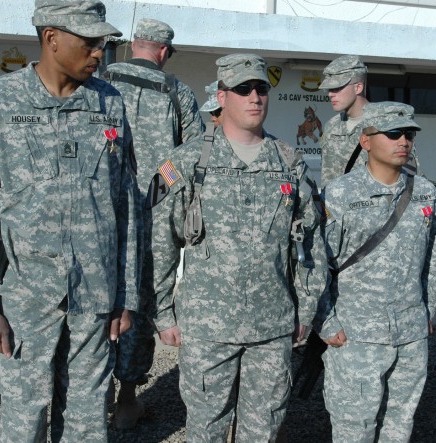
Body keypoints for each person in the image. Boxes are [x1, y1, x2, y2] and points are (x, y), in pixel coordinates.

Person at [0, 1, 140, 441]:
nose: (98, 52)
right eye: (89, 42)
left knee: (89, 418)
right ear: (52, 38)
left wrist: (125, 294)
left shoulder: (109, 103)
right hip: (23, 299)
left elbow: (126, 204)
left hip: (94, 296)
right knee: (24, 418)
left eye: (102, 43)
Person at [147, 53, 326, 442]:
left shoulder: (289, 162)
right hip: (208, 328)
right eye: (243, 89)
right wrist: (162, 313)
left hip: (272, 326)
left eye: (261, 88)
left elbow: (310, 243)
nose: (254, 96)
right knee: (205, 430)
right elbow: (161, 242)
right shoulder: (188, 161)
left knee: (263, 431)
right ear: (223, 95)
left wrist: (307, 309)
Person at [317, 102, 436, 442]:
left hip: (411, 336)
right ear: (366, 140)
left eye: (409, 133)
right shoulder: (339, 195)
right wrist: (326, 322)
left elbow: (433, 260)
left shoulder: (425, 192)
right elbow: (316, 263)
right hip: (357, 337)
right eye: (393, 133)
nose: (403, 140)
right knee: (354, 432)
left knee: (399, 429)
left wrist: (426, 312)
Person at [104, 17, 204, 429]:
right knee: (144, 302)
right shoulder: (177, 92)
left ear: (132, 46)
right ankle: (127, 400)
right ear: (163, 52)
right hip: (155, 211)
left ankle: (89, 398)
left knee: (96, 296)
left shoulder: (100, 79)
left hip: (103, 210)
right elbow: (196, 152)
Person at [318, 54, 369, 186]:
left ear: (358, 87)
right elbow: (327, 176)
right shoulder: (332, 126)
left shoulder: (385, 124)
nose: (330, 94)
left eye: (337, 88)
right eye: (330, 89)